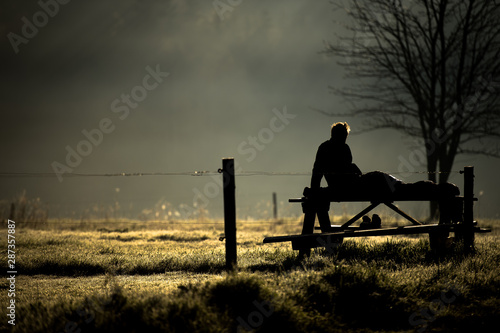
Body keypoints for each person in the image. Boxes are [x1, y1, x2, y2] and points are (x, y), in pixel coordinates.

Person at [310, 122, 361, 190]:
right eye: (343, 136)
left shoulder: (345, 148)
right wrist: (314, 189)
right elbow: (317, 171)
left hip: (347, 181)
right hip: (338, 183)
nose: (345, 139)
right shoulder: (325, 148)